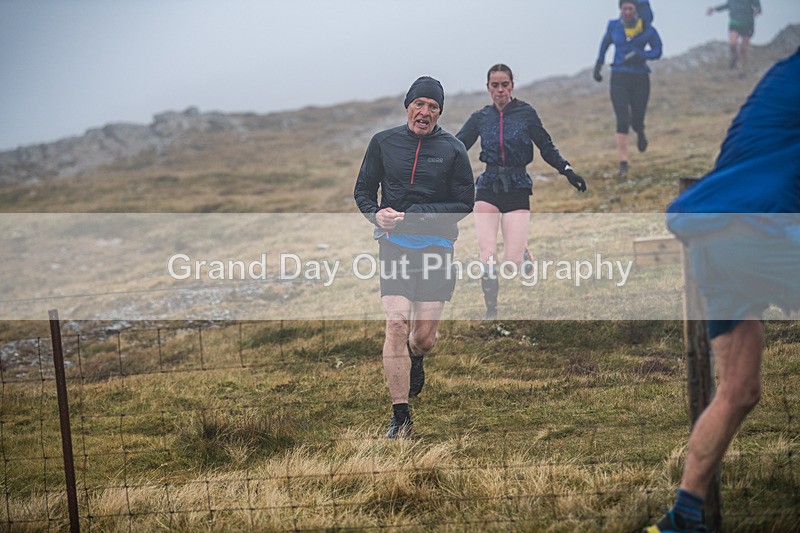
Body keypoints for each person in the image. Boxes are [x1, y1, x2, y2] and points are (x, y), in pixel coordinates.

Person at [648, 47, 800, 533]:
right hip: (763, 225)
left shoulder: (779, 77)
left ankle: (683, 517)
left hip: (709, 233)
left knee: (738, 389)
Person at [354, 76, 475, 439]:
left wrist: (418, 215)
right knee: (395, 323)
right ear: (408, 105)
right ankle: (400, 416)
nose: (425, 112)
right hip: (394, 244)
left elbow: (464, 203)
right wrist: (375, 214)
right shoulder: (383, 142)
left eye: (433, 107)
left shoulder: (453, 149)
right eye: (419, 104)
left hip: (437, 247)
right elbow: (363, 189)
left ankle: (416, 357)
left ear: (439, 113)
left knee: (422, 338)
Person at [455, 64, 587, 320]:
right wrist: (433, 163)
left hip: (517, 186)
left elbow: (546, 148)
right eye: (495, 85)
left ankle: (523, 252)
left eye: (505, 84)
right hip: (488, 185)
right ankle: (491, 310)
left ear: (512, 86)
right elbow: (457, 146)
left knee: (512, 263)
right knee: (487, 254)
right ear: (488, 88)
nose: (500, 90)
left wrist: (567, 170)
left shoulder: (526, 114)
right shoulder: (481, 117)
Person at [594, 0, 663, 178]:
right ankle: (623, 162)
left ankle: (640, 131)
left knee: (637, 118)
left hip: (640, 77)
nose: (627, 12)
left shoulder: (647, 28)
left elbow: (657, 50)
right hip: (618, 76)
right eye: (624, 8)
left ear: (636, 10)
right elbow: (604, 44)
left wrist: (641, 55)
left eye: (630, 8)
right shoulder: (614, 26)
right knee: (622, 119)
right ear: (620, 9)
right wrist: (598, 65)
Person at [706, 0, 762, 75]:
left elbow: (757, 5)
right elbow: (727, 5)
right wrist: (714, 9)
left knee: (743, 50)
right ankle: (734, 57)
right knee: (732, 43)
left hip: (748, 23)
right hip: (734, 22)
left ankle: (743, 70)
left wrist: (758, 10)